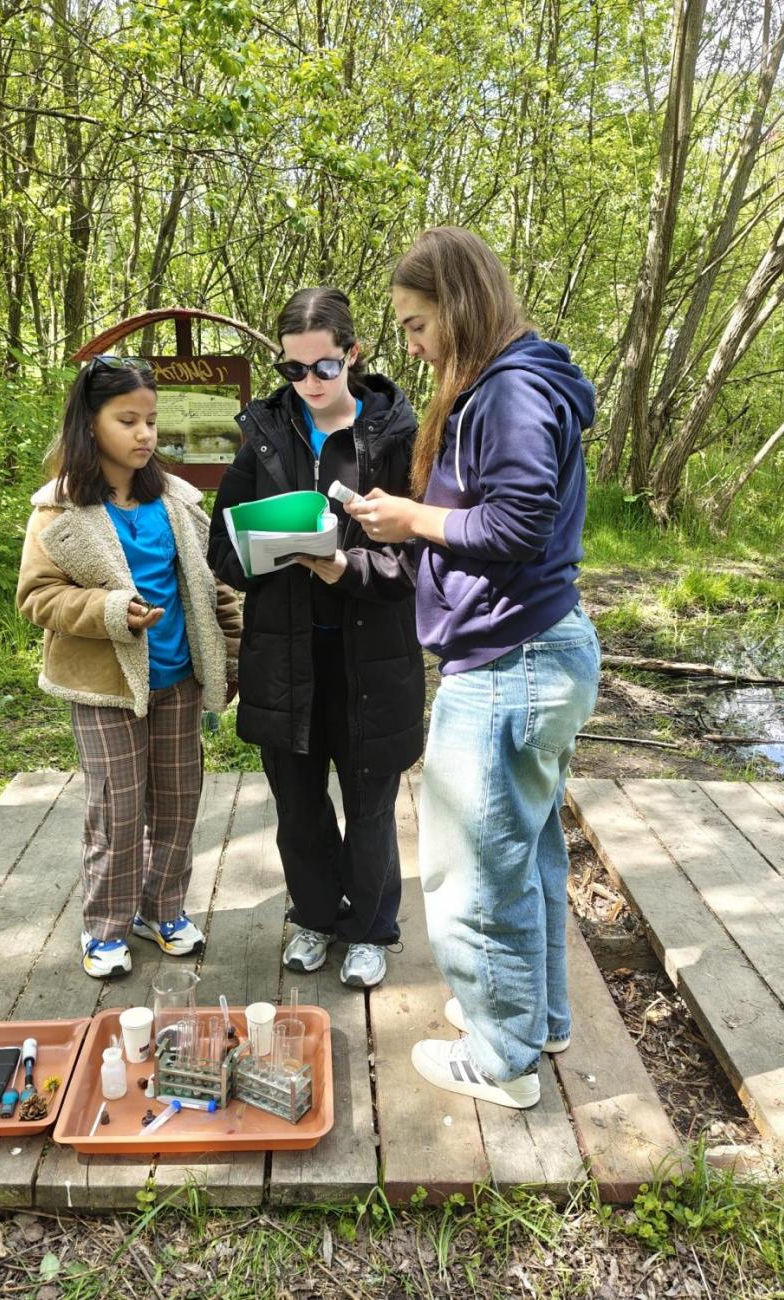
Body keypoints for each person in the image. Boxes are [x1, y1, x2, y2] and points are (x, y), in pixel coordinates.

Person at [346, 228, 601, 1106]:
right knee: (524, 853)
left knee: (473, 873)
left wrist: (414, 520)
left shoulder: (512, 390)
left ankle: (501, 1059)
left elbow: (517, 523)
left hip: (508, 663)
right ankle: (539, 1018)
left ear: (456, 305)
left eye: (417, 326)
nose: (411, 347)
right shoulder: (520, 379)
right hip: (533, 653)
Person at [208, 287, 424, 989]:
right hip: (284, 654)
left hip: (373, 655)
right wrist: (268, 550)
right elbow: (221, 552)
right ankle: (313, 916)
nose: (309, 383)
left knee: (368, 806)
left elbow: (421, 562)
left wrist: (344, 565)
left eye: (324, 367)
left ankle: (369, 928)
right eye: (293, 369)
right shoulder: (265, 435)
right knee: (298, 805)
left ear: (354, 354)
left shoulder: (398, 437)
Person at [17, 355, 241, 978]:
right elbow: (37, 597)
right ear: (91, 427)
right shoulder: (58, 511)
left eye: (151, 420)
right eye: (127, 421)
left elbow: (211, 588)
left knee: (177, 802)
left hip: (180, 679)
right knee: (117, 809)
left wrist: (233, 651)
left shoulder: (177, 500)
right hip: (105, 687)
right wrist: (112, 610)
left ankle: (162, 908)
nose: (145, 434)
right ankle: (105, 927)